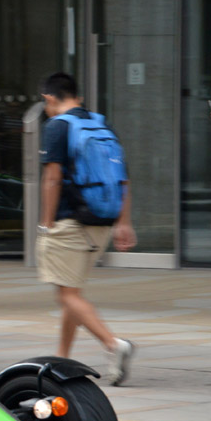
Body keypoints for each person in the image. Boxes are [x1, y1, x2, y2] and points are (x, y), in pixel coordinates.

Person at [37, 72, 137, 385]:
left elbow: (52, 178)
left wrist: (46, 223)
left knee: (67, 295)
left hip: (70, 222)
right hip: (101, 223)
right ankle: (62, 358)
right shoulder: (101, 124)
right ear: (77, 96)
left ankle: (113, 344)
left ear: (49, 98)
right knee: (72, 292)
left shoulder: (57, 126)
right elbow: (123, 179)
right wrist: (124, 222)